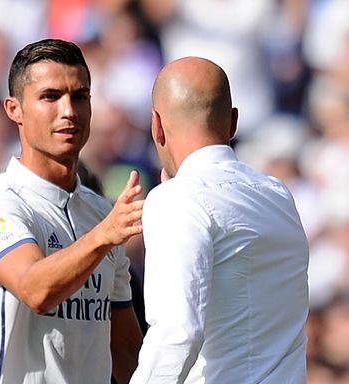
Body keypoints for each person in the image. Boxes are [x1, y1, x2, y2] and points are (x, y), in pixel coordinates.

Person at [0, 39, 144, 384]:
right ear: (14, 109)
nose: (69, 111)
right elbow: (35, 290)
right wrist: (102, 237)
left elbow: (126, 349)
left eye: (80, 96)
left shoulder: (101, 213)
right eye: (50, 97)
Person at [131, 57, 310, 383]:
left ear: (157, 126)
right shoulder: (278, 195)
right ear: (233, 122)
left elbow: (177, 334)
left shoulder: (176, 199)